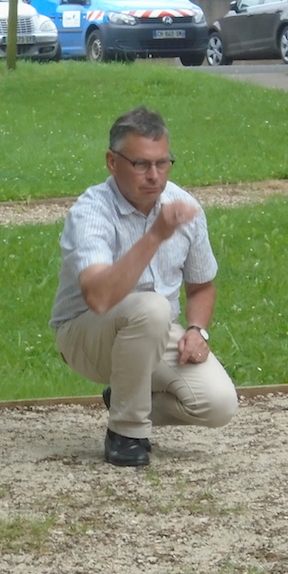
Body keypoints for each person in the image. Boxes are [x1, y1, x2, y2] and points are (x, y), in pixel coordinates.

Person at [50, 106, 237, 467]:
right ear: (111, 162)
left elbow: (202, 286)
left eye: (163, 163)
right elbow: (100, 298)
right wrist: (155, 236)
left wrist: (198, 330)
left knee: (219, 405)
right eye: (140, 164)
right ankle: (126, 433)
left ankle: (124, 396)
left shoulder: (183, 206)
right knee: (152, 307)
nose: (154, 176)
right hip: (86, 333)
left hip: (156, 329)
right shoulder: (90, 212)